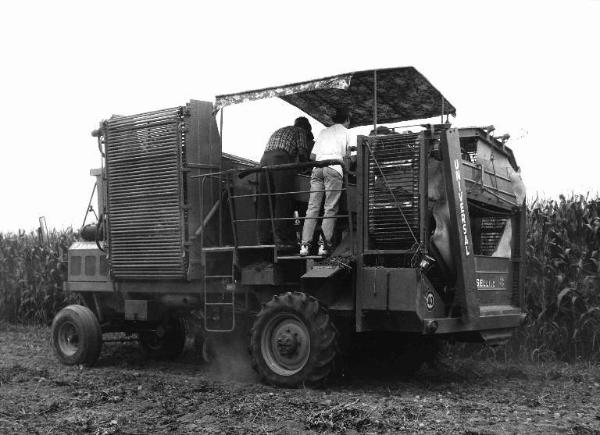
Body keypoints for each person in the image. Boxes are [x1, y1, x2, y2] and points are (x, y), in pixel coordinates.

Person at [300, 107, 356, 256]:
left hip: (317, 169)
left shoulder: (323, 132)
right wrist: (348, 173)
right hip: (334, 169)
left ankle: (304, 246)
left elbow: (312, 156)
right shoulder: (346, 132)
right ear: (347, 120)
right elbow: (347, 157)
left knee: (312, 208)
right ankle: (323, 246)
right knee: (330, 208)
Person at [257, 117, 312, 245]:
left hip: (264, 160)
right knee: (283, 198)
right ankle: (281, 237)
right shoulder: (300, 131)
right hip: (280, 159)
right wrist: (309, 168)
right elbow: (303, 154)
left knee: (265, 199)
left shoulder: (283, 130)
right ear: (306, 128)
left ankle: (263, 237)